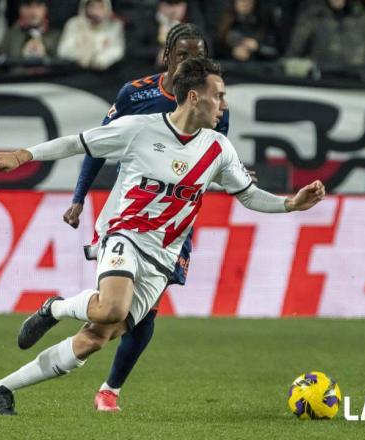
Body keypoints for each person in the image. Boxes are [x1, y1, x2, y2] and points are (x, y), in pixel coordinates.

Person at [0, 57, 326, 416]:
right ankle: (57, 307)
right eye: (218, 96)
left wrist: (291, 204)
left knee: (97, 337)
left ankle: (1, 387)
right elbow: (77, 143)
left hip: (163, 258)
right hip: (125, 234)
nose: (224, 105)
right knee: (113, 307)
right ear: (194, 97)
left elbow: (248, 195)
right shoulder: (139, 129)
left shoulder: (219, 149)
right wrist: (22, 155)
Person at [60, 23, 229, 413]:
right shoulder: (136, 94)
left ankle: (110, 389)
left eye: (198, 56)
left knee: (145, 310)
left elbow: (217, 158)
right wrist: (79, 198)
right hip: (131, 212)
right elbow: (95, 146)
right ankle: (62, 316)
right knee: (117, 307)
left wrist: (236, 181)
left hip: (175, 220)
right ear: (167, 56)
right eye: (184, 55)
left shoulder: (213, 103)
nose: (192, 62)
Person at [287, 0, 365, 77]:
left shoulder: (360, 17)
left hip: (357, 82)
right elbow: (294, 52)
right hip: (323, 79)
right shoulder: (314, 16)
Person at [56, 0, 125, 71]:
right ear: (85, 7)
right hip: (75, 71)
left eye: (100, 7)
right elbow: (63, 50)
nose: (96, 11)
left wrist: (99, 60)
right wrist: (81, 56)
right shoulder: (74, 24)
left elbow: (117, 50)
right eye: (92, 6)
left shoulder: (114, 26)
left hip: (103, 73)